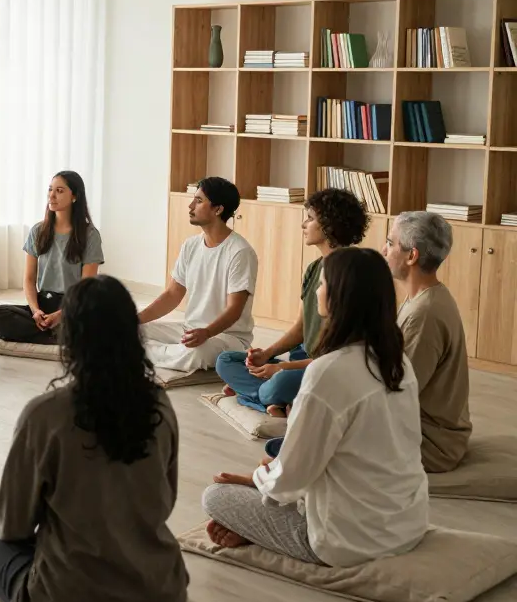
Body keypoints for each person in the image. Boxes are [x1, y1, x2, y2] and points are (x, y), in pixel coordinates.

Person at [0, 276, 188, 602]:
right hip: (161, 591)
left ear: (68, 338)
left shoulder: (45, 413)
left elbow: (12, 525)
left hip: (66, 598)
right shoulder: (160, 404)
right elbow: (164, 502)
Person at [201, 248, 428, 567]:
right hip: (409, 523)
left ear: (336, 298)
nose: (317, 291)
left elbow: (291, 480)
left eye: (321, 285)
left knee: (216, 495)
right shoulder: (397, 361)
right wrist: (272, 472)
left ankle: (260, 530)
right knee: (276, 461)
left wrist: (256, 478)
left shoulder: (329, 371)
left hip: (349, 541)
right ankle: (259, 518)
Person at [215, 189, 368, 416]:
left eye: (310, 218)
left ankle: (261, 397)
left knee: (280, 382)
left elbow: (337, 358)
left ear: (330, 224)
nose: (303, 225)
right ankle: (274, 401)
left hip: (326, 370)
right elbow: (300, 327)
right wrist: (266, 355)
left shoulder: (352, 273)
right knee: (225, 360)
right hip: (302, 360)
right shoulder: (314, 268)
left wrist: (281, 367)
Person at [137, 176, 258, 372]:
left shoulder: (240, 252)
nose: (190, 206)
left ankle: (141, 353)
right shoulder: (191, 245)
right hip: (190, 330)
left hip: (226, 337)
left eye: (199, 201)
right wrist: (136, 319)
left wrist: (207, 332)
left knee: (195, 353)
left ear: (218, 209)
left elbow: (235, 310)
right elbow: (172, 295)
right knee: (130, 331)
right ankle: (160, 352)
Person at [383, 211, 471, 473]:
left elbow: (399, 392)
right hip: (421, 428)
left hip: (431, 443)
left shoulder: (425, 314)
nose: (383, 250)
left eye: (390, 242)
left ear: (412, 256)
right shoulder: (423, 298)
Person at [0, 171, 105, 344]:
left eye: (60, 190)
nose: (52, 196)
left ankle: (47, 333)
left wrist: (60, 315)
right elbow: (29, 278)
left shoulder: (90, 235)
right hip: (44, 303)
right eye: (50, 190)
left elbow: (87, 288)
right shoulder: (38, 231)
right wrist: (35, 311)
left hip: (74, 306)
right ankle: (56, 335)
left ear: (74, 196)